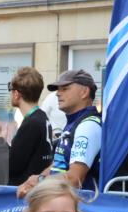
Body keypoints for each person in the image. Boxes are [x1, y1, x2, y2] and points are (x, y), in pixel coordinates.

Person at [22, 69, 101, 197]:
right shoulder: (74, 122)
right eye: (58, 89)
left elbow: (75, 179)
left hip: (81, 207)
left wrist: (40, 181)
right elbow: (60, 163)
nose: (58, 94)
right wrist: (40, 177)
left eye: (65, 88)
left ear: (84, 92)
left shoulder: (88, 126)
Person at [0, 67, 54, 187]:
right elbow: (21, 157)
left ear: (16, 94)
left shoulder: (31, 124)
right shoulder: (41, 117)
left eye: (11, 90)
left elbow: (10, 167)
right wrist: (3, 141)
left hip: (24, 197)